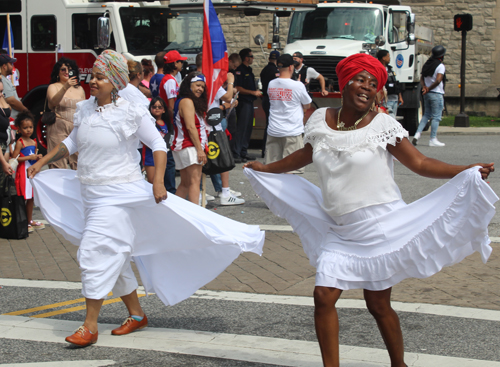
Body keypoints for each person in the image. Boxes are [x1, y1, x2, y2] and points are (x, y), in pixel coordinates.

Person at [243, 52, 496, 367]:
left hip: (383, 226)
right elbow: (304, 156)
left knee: (377, 304)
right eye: (360, 80)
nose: (366, 88)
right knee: (323, 296)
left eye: (373, 84)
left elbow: (420, 163)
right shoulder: (320, 120)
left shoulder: (383, 125)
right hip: (341, 230)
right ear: (345, 83)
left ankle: (398, 364)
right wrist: (267, 169)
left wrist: (465, 169)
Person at [28, 50, 264, 348]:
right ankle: (136, 314)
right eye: (93, 76)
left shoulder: (131, 111)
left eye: (100, 77)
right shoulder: (86, 108)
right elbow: (71, 141)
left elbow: (157, 144)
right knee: (116, 254)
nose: (93, 81)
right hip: (88, 191)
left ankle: (89, 326)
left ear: (114, 82)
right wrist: (43, 161)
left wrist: (157, 182)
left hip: (118, 194)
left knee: (94, 252)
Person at [197, 53, 244, 205]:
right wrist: (230, 82)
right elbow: (229, 97)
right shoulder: (209, 81)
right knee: (222, 159)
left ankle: (199, 192)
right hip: (212, 127)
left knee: (201, 161)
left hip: (200, 126)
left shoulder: (191, 81)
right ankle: (224, 192)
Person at [265, 54, 311, 174]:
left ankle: (272, 192)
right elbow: (307, 104)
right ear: (291, 67)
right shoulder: (298, 86)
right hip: (292, 131)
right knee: (293, 169)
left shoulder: (271, 84)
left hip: (274, 130)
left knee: (272, 168)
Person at [171, 72, 208, 204]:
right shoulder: (187, 101)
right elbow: (191, 127)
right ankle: (195, 216)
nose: (200, 89)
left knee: (185, 184)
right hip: (189, 146)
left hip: (183, 146)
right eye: (198, 85)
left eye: (203, 87)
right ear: (189, 85)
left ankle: (175, 213)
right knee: (194, 182)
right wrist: (200, 149)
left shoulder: (182, 100)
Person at [46, 58, 86, 170]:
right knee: (57, 161)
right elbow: (53, 102)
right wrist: (65, 87)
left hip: (76, 127)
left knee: (79, 161)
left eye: (70, 69)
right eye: (63, 69)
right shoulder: (53, 87)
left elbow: (84, 109)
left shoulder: (80, 89)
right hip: (58, 126)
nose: (67, 72)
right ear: (58, 72)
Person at [12, 111, 44, 233]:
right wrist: (28, 158)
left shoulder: (34, 142)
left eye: (30, 127)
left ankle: (29, 220)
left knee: (30, 198)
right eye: (25, 128)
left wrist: (38, 157)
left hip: (31, 173)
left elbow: (34, 155)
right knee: (22, 197)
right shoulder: (20, 142)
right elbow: (14, 158)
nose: (28, 130)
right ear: (19, 129)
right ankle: (22, 221)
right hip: (22, 172)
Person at [413, 45, 447, 147]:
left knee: (426, 115)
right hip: (436, 93)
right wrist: (429, 88)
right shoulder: (440, 66)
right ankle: (433, 139)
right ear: (441, 56)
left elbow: (422, 77)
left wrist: (424, 87)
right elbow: (438, 80)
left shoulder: (427, 64)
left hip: (427, 94)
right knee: (436, 117)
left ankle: (417, 134)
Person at [233, 48, 261, 163]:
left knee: (248, 128)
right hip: (243, 102)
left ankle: (243, 151)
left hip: (250, 103)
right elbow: (238, 88)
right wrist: (253, 92)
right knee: (241, 128)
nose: (253, 58)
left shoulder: (249, 70)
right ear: (246, 58)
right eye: (251, 56)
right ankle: (236, 152)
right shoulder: (240, 71)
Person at [143, 97, 170, 183]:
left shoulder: (167, 123)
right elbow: (143, 140)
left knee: (161, 181)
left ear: (164, 110)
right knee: (152, 181)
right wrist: (156, 146)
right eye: (154, 107)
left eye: (160, 107)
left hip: (164, 156)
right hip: (149, 156)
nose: (157, 109)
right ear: (150, 109)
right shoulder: (148, 122)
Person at [260, 50, 280, 158]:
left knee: (268, 124)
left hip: (265, 99)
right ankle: (267, 150)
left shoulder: (264, 70)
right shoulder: (275, 72)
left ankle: (265, 150)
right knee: (270, 125)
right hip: (271, 100)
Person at [376, 50, 403, 119]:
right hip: (386, 100)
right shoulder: (378, 69)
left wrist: (400, 96)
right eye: (388, 56)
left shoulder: (390, 69)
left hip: (394, 99)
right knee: (391, 119)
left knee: (393, 117)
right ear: (383, 58)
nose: (389, 58)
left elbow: (395, 83)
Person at [0, 54, 27, 120]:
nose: (13, 66)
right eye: (11, 64)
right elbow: (11, 101)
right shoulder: (2, 80)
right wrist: (25, 110)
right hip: (11, 120)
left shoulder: (5, 79)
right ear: (4, 66)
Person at [0, 80, 13, 176]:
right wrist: (4, 163)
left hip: (4, 146)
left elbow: (7, 111)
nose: (1, 95)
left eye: (2, 91)